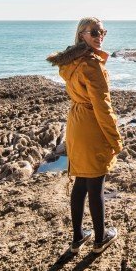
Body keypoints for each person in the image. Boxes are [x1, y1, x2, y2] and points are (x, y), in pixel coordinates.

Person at [47, 17, 123, 254]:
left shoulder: (71, 62)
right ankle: (100, 240)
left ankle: (78, 237)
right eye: (94, 32)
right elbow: (103, 107)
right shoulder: (92, 65)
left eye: (103, 32)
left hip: (76, 124)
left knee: (80, 181)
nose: (100, 36)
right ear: (82, 35)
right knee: (96, 183)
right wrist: (115, 139)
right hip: (92, 125)